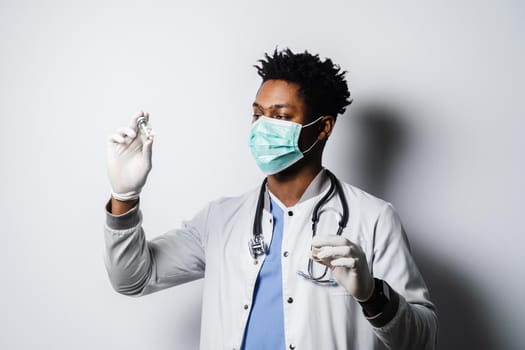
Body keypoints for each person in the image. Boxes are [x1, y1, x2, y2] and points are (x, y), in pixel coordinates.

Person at [104, 48, 438, 350]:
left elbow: (422, 341)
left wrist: (373, 295)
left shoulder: (374, 219)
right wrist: (125, 197)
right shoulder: (220, 219)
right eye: (257, 114)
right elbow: (133, 279)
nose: (263, 127)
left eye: (280, 117)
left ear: (323, 128)